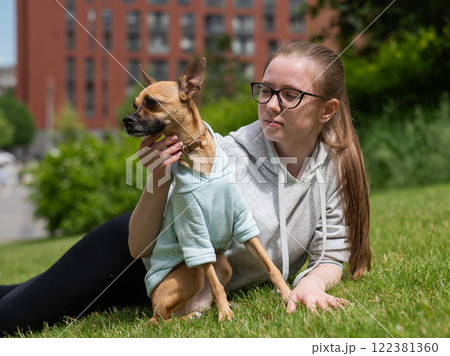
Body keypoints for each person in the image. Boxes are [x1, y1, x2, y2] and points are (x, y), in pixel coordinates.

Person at [0, 41, 371, 336]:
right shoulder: (217, 155)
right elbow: (137, 246)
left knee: (19, 294)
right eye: (265, 90)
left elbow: (331, 249)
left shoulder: (333, 167)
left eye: (290, 95)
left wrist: (313, 284)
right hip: (130, 259)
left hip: (185, 288)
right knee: (11, 317)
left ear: (327, 110)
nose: (271, 105)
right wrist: (158, 179)